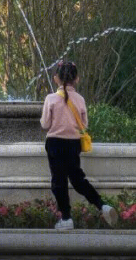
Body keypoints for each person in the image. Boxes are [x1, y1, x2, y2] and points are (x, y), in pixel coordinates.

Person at [40, 60, 117, 230]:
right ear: (77, 79)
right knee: (78, 179)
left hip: (55, 143)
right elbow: (85, 125)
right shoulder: (80, 99)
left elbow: (45, 124)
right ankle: (102, 205)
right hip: (74, 144)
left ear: (56, 79)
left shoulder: (51, 99)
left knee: (58, 181)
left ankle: (66, 219)